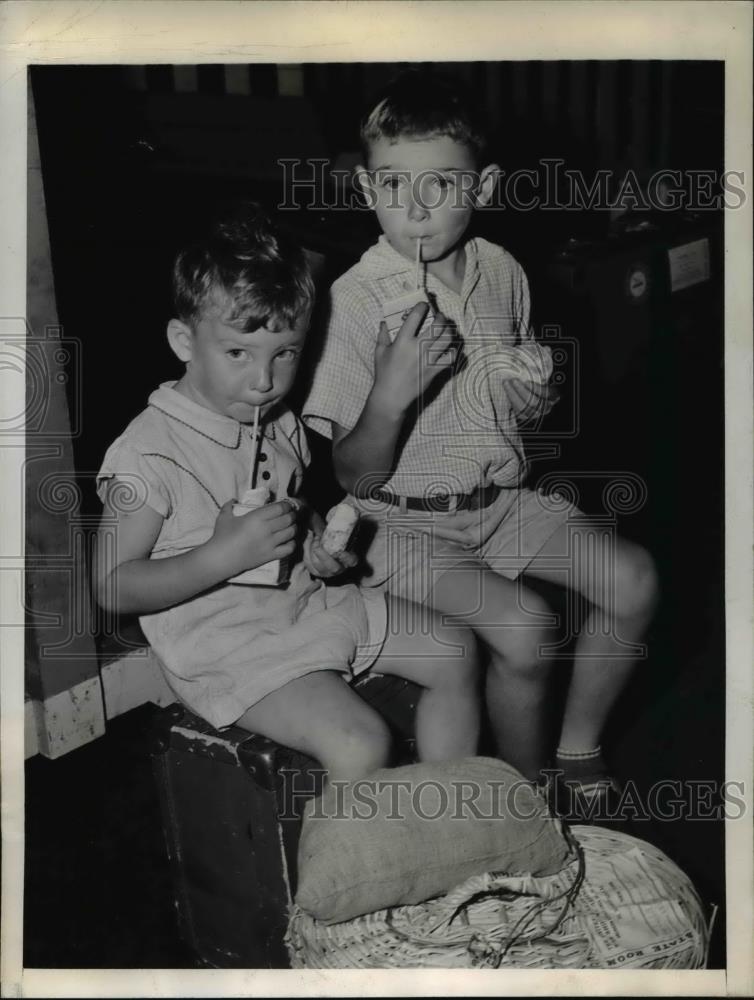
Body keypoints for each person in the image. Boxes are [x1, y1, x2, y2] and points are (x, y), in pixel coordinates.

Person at [303, 70, 658, 811]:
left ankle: (576, 748)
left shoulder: (502, 272)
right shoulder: (357, 299)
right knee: (526, 630)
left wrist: (539, 396)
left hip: (499, 502)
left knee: (635, 580)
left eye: (443, 184)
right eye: (395, 184)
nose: (418, 208)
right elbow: (353, 474)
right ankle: (526, 802)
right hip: (397, 526)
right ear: (367, 190)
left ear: (486, 186)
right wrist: (393, 395)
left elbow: (521, 413)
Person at [93, 202, 480, 782]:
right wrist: (222, 555)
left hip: (305, 604)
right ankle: (358, 871)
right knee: (361, 743)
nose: (265, 380)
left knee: (457, 650)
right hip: (225, 644)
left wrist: (321, 545)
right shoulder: (147, 454)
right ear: (182, 340)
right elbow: (110, 586)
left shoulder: (275, 419)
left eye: (287, 353)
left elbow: (297, 510)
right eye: (236, 353)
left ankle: (450, 828)